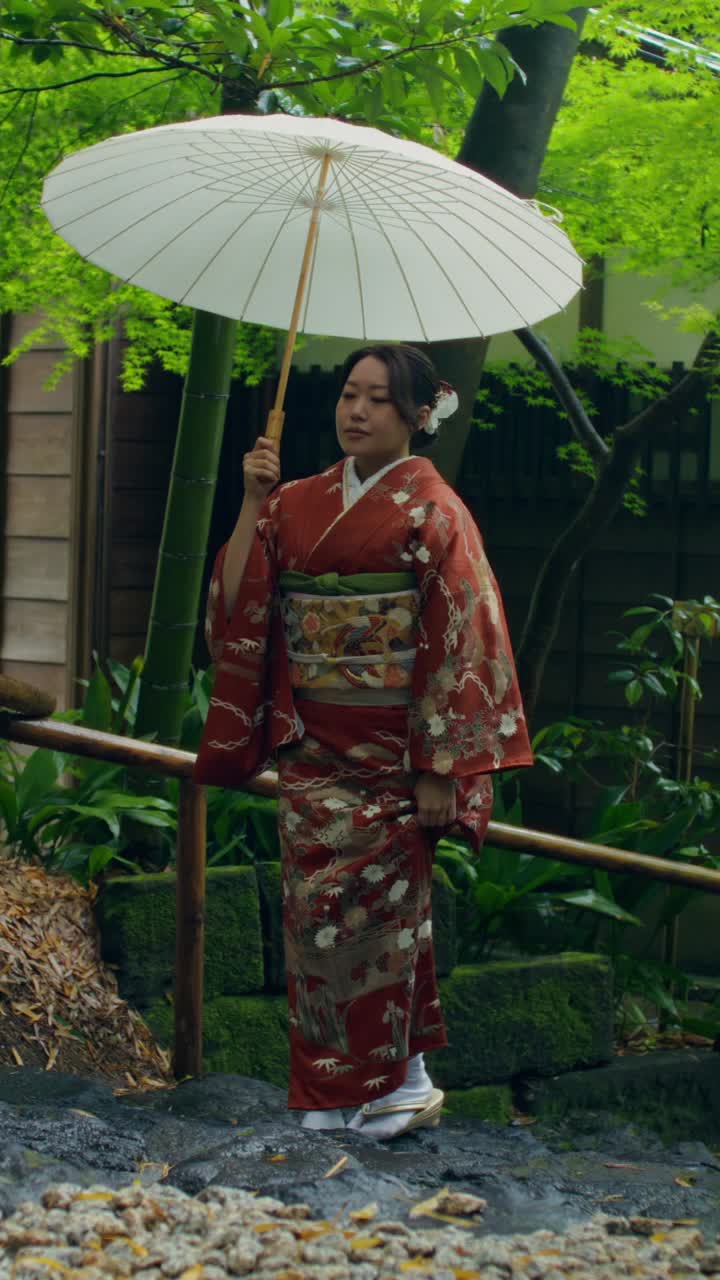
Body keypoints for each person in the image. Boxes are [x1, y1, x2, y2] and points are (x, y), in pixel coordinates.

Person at [195, 344, 532, 1140]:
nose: (357, 411)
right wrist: (253, 500)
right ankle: (353, 1091)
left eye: (379, 399)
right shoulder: (295, 501)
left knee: (383, 923)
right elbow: (239, 605)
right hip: (313, 748)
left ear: (416, 414)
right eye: (350, 393)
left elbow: (466, 635)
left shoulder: (436, 510)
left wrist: (442, 766)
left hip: (394, 753)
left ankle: (390, 1085)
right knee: (314, 924)